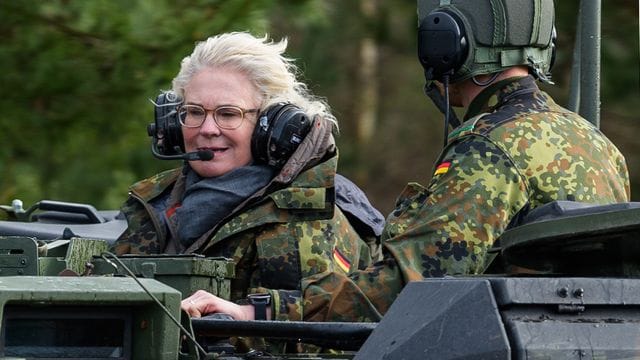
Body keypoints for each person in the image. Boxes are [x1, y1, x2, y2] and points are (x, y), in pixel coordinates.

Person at [182, 0, 630, 323]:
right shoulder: (595, 142)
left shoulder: (492, 148)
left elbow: (409, 283)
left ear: (446, 45)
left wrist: (257, 311)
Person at [111, 32, 384, 327]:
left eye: (228, 114)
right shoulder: (155, 202)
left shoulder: (311, 214)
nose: (208, 129)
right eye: (194, 112)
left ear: (271, 124)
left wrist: (236, 319)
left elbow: (324, 332)